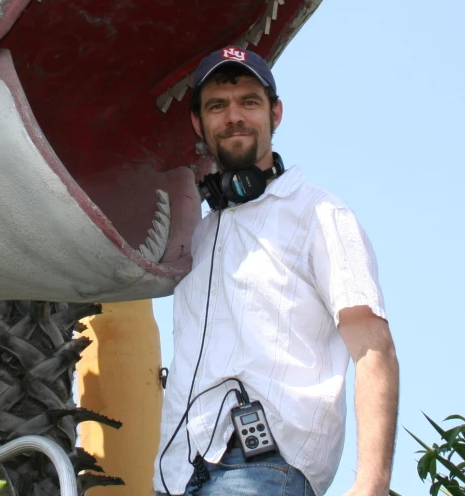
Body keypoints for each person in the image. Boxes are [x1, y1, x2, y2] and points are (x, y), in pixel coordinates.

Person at [154, 46, 399, 496]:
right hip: (177, 474)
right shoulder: (200, 236)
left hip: (265, 469)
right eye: (217, 106)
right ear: (198, 123)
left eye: (249, 101)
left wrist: (372, 484)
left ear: (276, 113)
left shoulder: (320, 213)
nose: (234, 117)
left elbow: (374, 349)